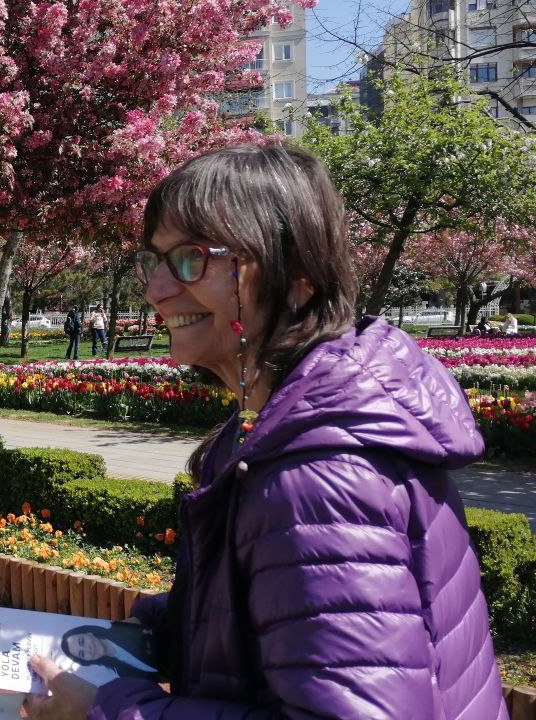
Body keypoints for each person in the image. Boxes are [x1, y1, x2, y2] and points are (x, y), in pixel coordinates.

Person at [25, 144, 506, 719]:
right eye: (156, 261)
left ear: (295, 278)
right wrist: (163, 626)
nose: (155, 291)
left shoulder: (320, 476)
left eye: (190, 259)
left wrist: (108, 710)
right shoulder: (269, 426)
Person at [58, 625, 156, 680]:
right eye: (82, 654)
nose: (88, 649)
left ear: (88, 633)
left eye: (82, 641)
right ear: (85, 661)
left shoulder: (122, 628)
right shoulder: (122, 673)